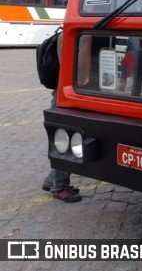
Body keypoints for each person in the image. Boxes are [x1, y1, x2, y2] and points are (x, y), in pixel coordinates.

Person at [41, 32, 82, 202]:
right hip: (64, 100)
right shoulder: (69, 36)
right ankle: (60, 187)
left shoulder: (65, 34)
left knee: (68, 143)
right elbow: (72, 67)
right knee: (65, 144)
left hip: (63, 97)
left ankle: (51, 181)